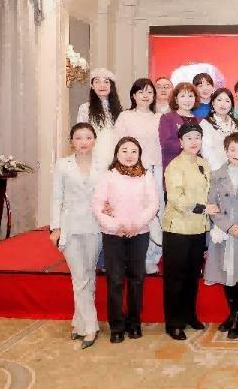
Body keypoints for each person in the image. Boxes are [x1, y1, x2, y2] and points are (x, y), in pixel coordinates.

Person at [91, 137, 159, 344]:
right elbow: (97, 205)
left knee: (137, 278)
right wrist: (116, 225)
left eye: (134, 151)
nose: (129, 155)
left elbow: (153, 204)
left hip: (140, 233)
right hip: (113, 235)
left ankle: (134, 323)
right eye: (124, 151)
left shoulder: (146, 176)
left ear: (139, 155)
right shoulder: (108, 176)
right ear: (117, 154)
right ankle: (117, 326)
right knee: (115, 280)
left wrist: (136, 224)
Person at [49, 123, 104, 349]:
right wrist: (55, 227)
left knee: (88, 275)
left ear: (94, 140)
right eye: (79, 138)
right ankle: (91, 326)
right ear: (71, 141)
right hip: (70, 227)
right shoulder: (63, 165)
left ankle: (79, 322)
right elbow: (56, 197)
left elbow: (107, 195)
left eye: (88, 137)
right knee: (79, 277)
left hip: (95, 226)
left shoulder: (103, 165)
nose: (83, 142)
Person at [203, 133, 238, 340]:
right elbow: (211, 205)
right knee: (226, 274)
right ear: (225, 151)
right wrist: (228, 227)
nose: (236, 153)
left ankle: (237, 318)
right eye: (232, 149)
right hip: (224, 231)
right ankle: (232, 315)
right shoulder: (216, 175)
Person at [161, 123, 213, 341]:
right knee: (176, 277)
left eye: (197, 137)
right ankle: (174, 323)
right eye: (189, 138)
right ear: (181, 142)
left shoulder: (204, 163)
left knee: (192, 276)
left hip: (199, 228)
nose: (194, 142)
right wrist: (202, 208)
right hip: (178, 229)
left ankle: (189, 315)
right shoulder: (174, 166)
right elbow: (176, 198)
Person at [114, 78, 165, 275]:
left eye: (149, 92)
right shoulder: (125, 116)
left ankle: (152, 257)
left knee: (155, 211)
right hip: (131, 170)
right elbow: (118, 145)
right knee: (133, 210)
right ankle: (133, 257)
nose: (145, 96)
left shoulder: (159, 118)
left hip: (155, 169)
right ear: (133, 95)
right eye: (141, 92)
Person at [77, 68, 123, 168]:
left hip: (116, 156)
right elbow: (80, 134)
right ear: (92, 86)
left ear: (111, 86)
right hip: (94, 156)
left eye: (106, 82)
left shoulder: (119, 110)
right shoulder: (85, 108)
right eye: (97, 82)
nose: (102, 85)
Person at [159, 83, 202, 171]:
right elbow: (166, 143)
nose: (187, 100)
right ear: (176, 100)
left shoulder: (201, 120)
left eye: (190, 96)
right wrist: (189, 146)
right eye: (183, 96)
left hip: (196, 166)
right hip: (174, 167)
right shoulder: (167, 118)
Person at [201, 88, 238, 171]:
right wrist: (221, 172)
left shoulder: (237, 124)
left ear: (231, 105)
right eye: (219, 100)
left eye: (227, 101)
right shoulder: (206, 124)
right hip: (215, 170)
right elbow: (206, 152)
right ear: (213, 103)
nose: (223, 104)